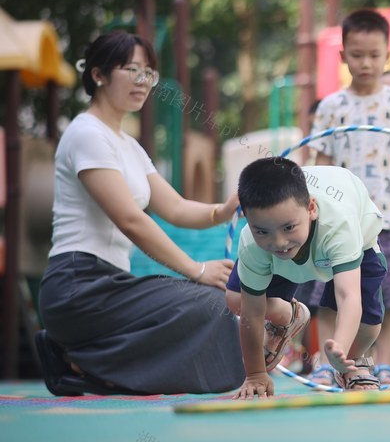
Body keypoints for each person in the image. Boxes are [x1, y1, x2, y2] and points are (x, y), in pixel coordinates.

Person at [36, 31, 244, 396]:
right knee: (210, 302)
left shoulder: (129, 146)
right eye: (131, 69)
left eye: (148, 73)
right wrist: (197, 270)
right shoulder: (86, 134)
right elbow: (131, 220)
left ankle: (84, 364)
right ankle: (82, 357)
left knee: (214, 305)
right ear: (98, 75)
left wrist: (221, 209)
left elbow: (176, 208)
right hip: (78, 285)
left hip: (111, 285)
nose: (142, 81)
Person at [310, 9, 390, 385]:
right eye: (357, 55)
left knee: (389, 289)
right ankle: (329, 361)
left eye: (375, 55)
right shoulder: (331, 107)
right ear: (343, 56)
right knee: (331, 288)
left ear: (387, 55)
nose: (366, 63)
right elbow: (321, 160)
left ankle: (381, 360)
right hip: (340, 218)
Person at [226, 157, 387, 398]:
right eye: (261, 231)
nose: (278, 242)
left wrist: (340, 350)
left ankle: (353, 364)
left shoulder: (339, 225)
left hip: (355, 239)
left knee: (369, 326)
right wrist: (255, 374)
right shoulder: (253, 243)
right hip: (290, 255)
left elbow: (348, 295)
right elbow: (251, 312)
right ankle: (288, 317)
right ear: (247, 222)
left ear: (311, 209)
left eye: (288, 227)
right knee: (236, 298)